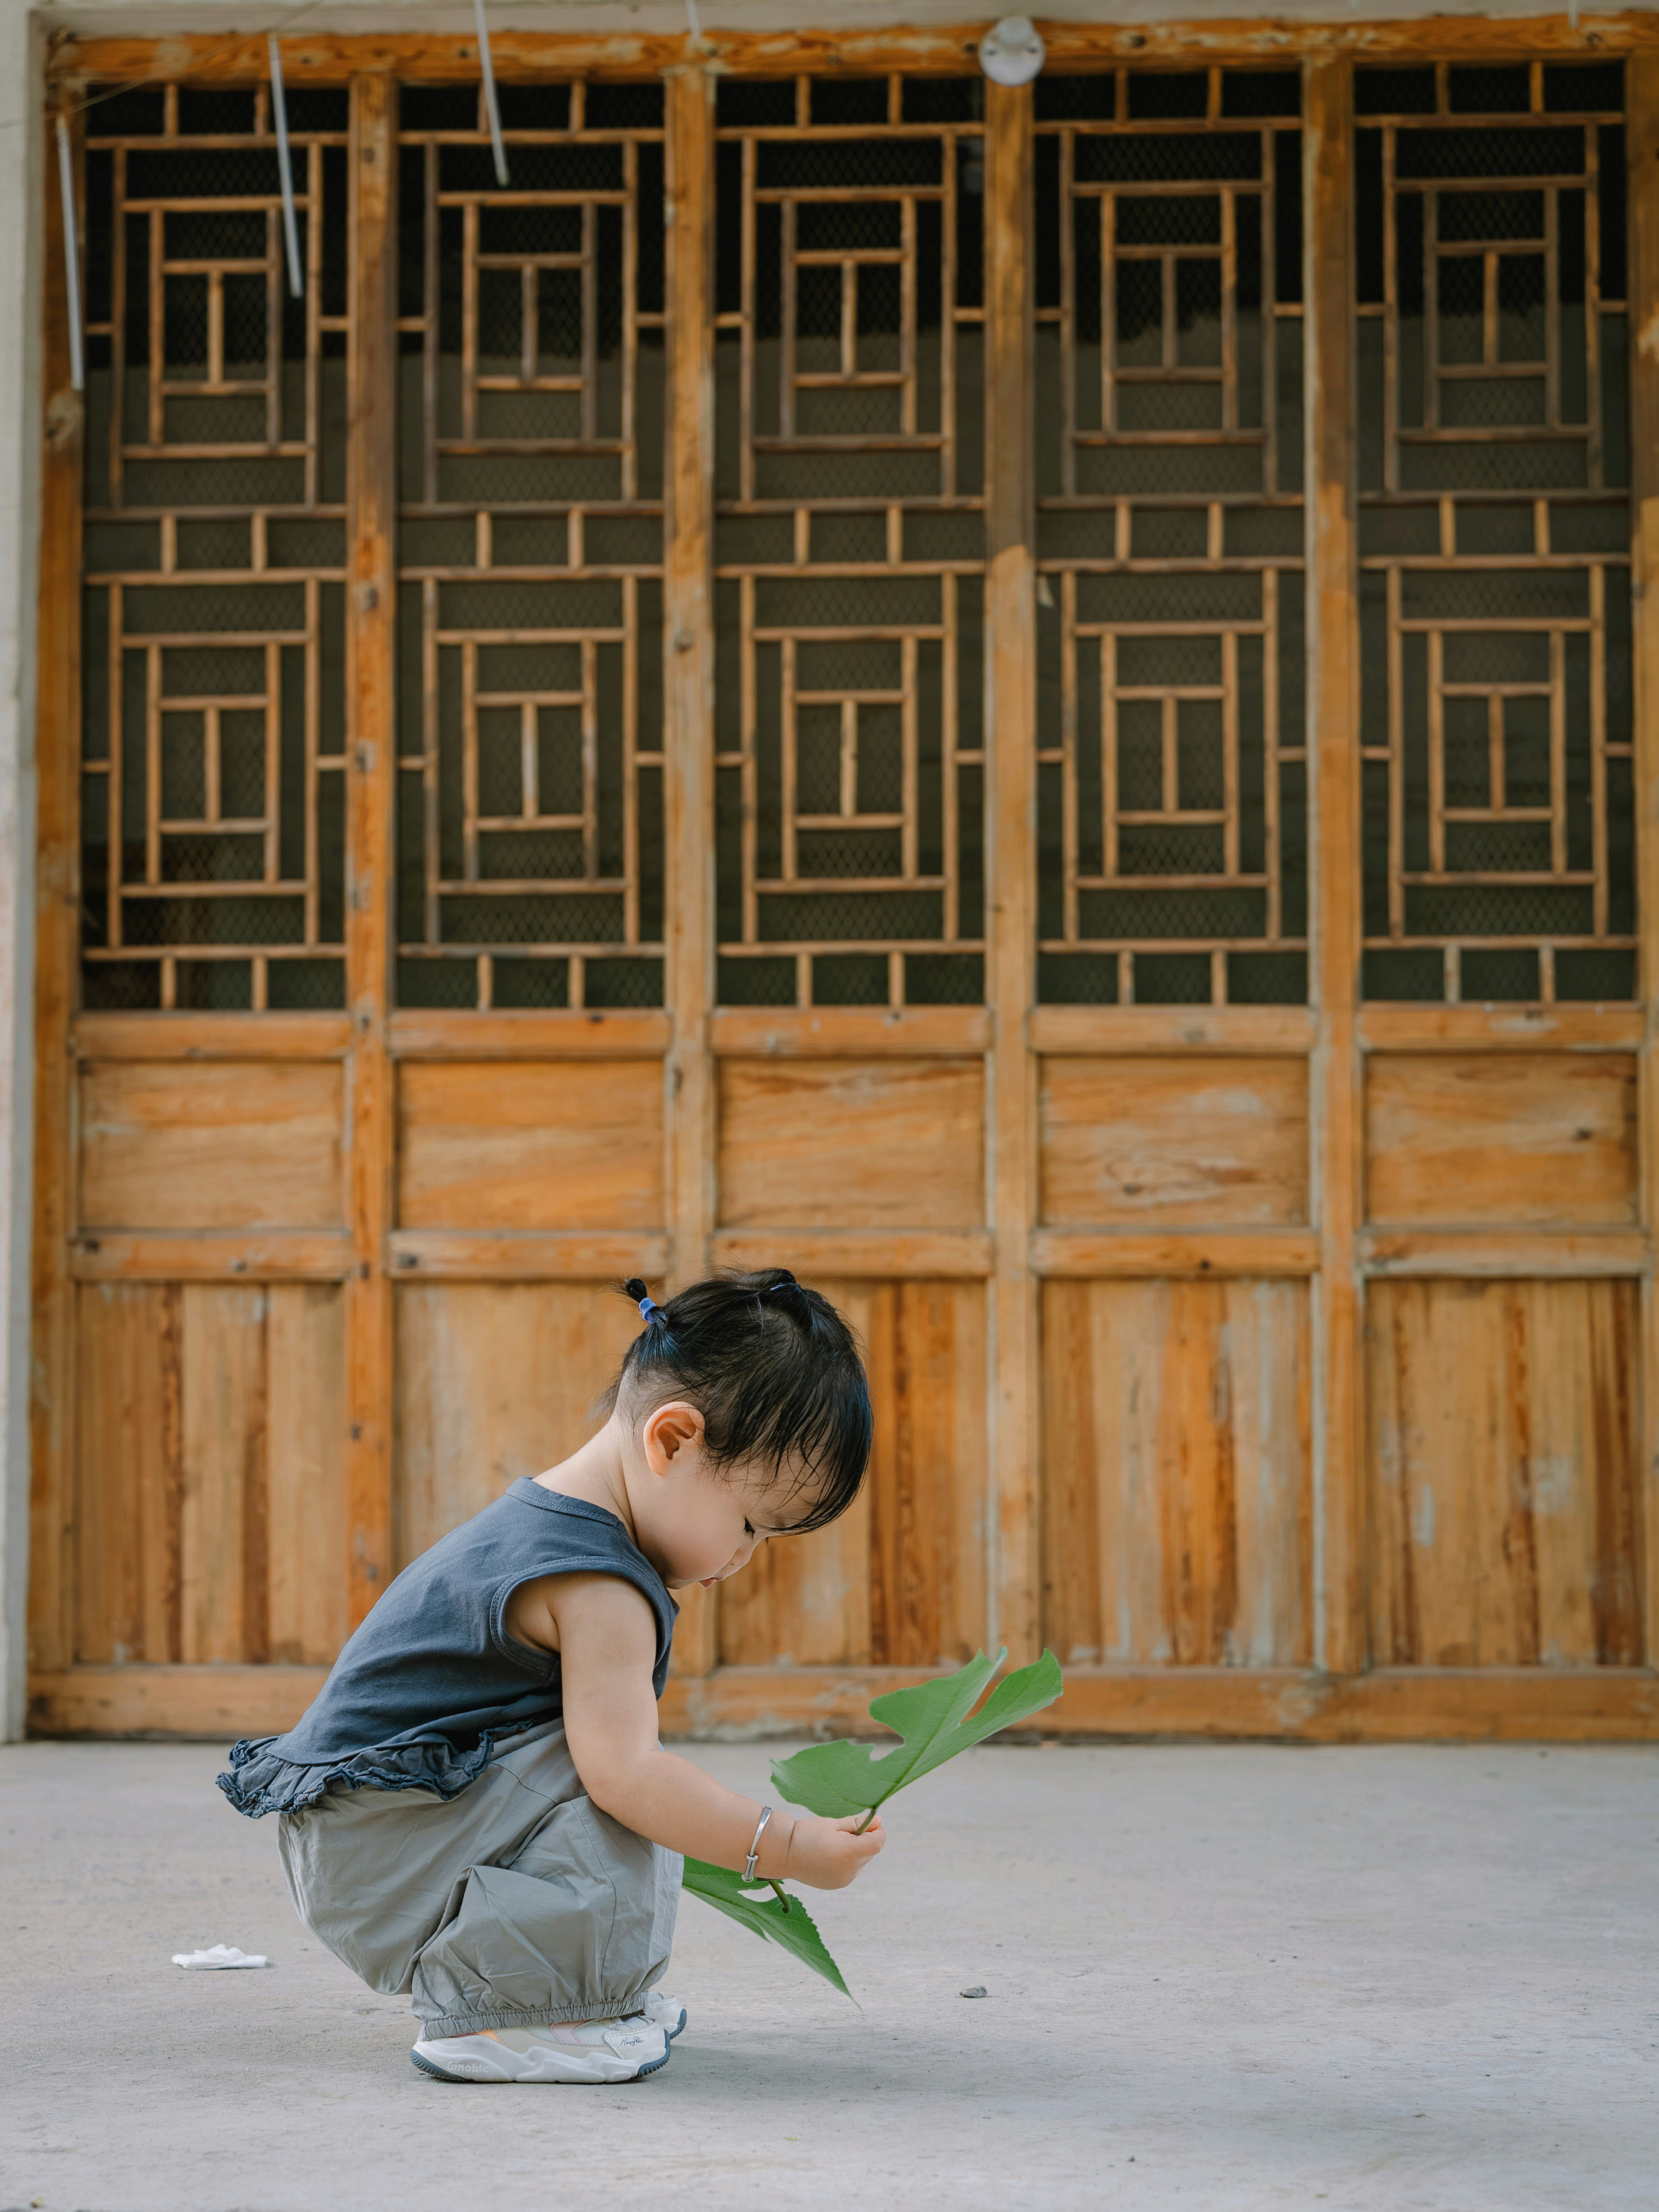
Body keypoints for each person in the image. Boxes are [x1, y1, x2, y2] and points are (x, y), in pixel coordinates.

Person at [218, 1269, 884, 2085]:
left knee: (621, 1763)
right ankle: (514, 2017)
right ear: (671, 1441)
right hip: (385, 1855)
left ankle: (561, 1994)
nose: (745, 1557)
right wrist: (782, 1847)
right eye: (751, 1524)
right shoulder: (598, 1587)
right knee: (628, 1781)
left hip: (369, 1841)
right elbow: (627, 1780)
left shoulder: (550, 1521)